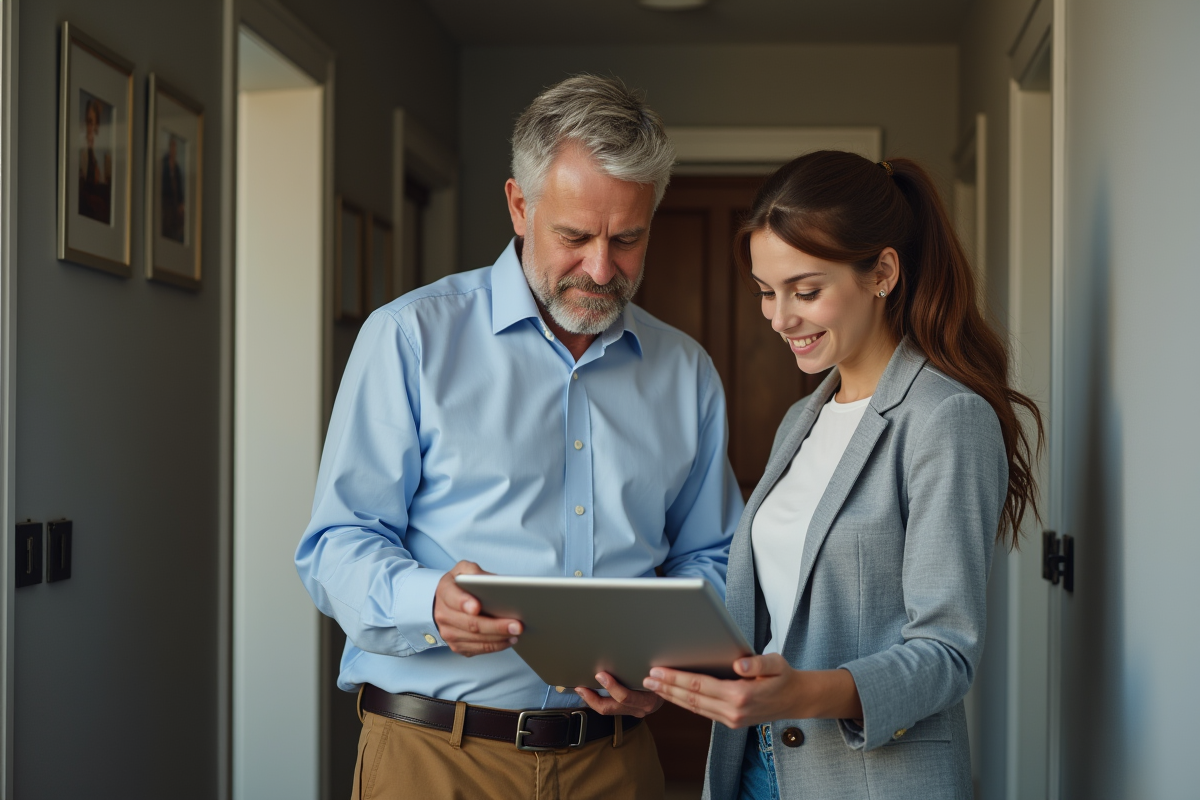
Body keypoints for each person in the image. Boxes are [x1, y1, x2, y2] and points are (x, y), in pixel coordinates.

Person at [295, 75, 743, 800]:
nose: (602, 268)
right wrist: (428, 603)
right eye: (575, 236)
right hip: (435, 756)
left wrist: (668, 669)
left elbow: (713, 558)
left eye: (627, 239)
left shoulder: (685, 373)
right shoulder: (410, 338)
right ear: (518, 205)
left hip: (617, 762)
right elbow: (335, 545)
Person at [641, 151, 1043, 800]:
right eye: (767, 292)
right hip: (756, 768)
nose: (779, 317)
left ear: (882, 273)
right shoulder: (801, 417)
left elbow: (947, 653)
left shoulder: (945, 419)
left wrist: (804, 691)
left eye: (806, 291)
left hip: (872, 780)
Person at [78, 95, 112, 224]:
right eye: (87, 122)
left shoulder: (104, 156)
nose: (88, 128)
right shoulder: (82, 152)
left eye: (91, 122)